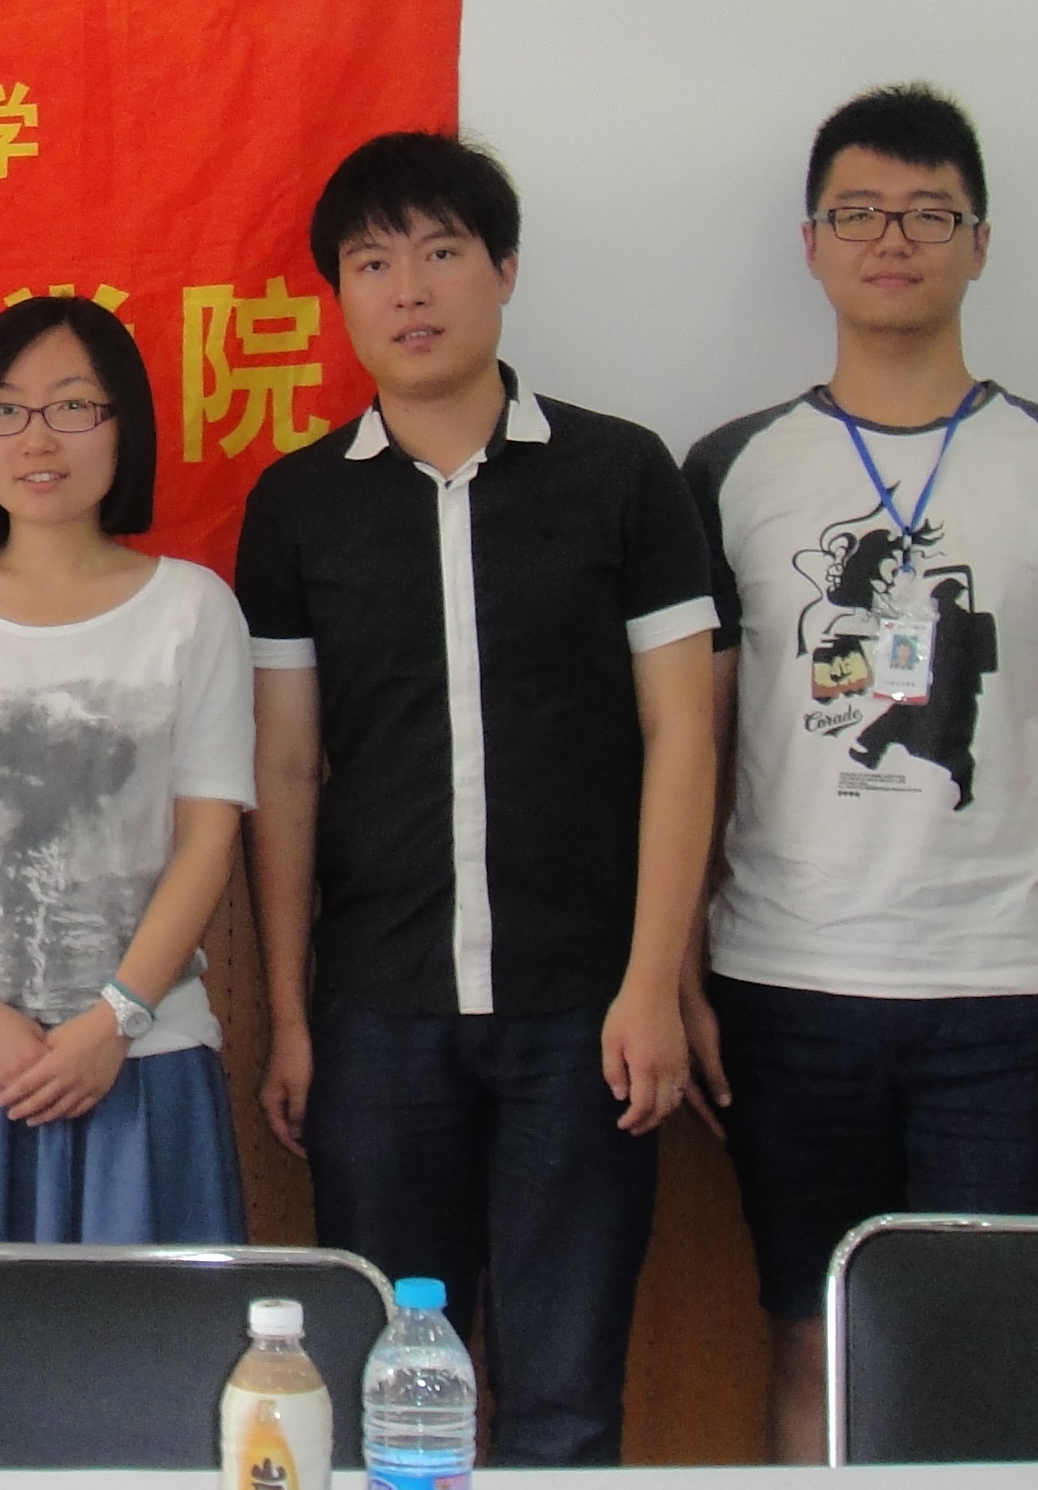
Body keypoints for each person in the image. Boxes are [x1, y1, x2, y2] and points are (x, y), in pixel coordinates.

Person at [682, 86, 1038, 1462]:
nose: (890, 240)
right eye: (858, 213)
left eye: (926, 214)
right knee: (812, 1340)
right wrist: (674, 971)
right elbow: (688, 744)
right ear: (811, 243)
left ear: (980, 242)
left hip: (1016, 998)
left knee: (1000, 1357)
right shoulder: (729, 468)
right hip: (785, 985)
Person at [234, 134, 718, 1466]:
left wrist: (653, 983)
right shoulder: (299, 504)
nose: (409, 289)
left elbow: (684, 731)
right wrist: (293, 1016)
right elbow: (287, 767)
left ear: (503, 270)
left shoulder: (621, 474)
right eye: (371, 263)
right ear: (338, 294)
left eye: (442, 252)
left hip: (584, 1012)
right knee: (394, 1408)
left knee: (566, 1399)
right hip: (381, 1020)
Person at [0, 295, 254, 1246]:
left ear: (125, 425)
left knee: (146, 1336)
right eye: (4, 410)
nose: (36, 439)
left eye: (73, 406)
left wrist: (114, 1020)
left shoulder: (193, 609)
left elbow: (208, 837)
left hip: (144, 1052)